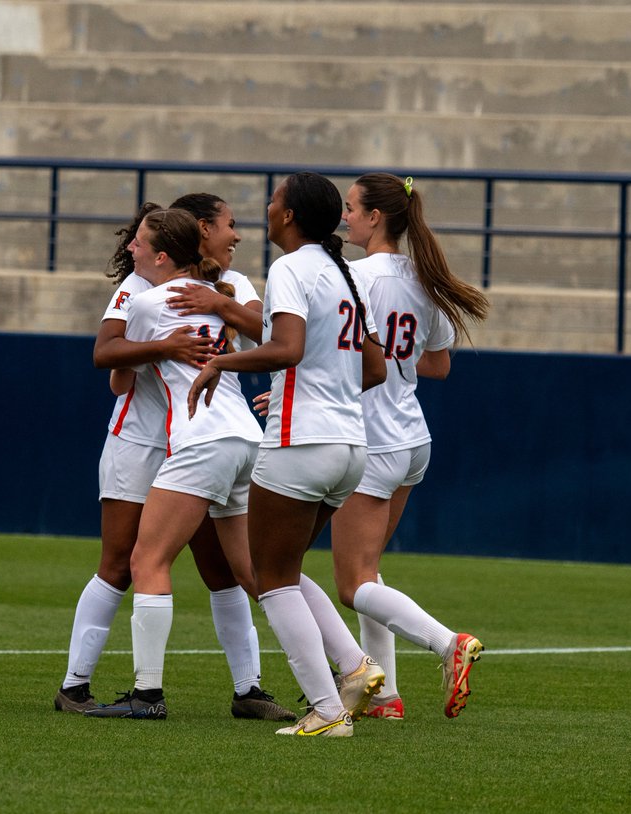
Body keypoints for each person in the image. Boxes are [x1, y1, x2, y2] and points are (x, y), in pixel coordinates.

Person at [55, 196, 295, 722]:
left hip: (195, 440)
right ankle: (75, 685)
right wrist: (164, 346)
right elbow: (112, 365)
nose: (235, 235)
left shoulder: (228, 289)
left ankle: (242, 688)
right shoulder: (137, 289)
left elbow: (268, 330)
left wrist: (220, 312)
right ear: (200, 233)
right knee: (121, 563)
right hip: (144, 441)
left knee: (223, 572)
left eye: (142, 238)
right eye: (229, 226)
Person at [189, 171, 389, 737]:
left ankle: (327, 712)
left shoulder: (292, 268)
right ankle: (354, 667)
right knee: (288, 568)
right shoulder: (343, 273)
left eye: (274, 202)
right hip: (351, 447)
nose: (267, 210)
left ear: (290, 216)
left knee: (270, 578)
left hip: (301, 444)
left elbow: (287, 348)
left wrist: (223, 362)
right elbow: (374, 368)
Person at [330, 173, 490, 719]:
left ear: (376, 217)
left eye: (351, 207)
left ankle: (450, 644)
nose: (344, 216)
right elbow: (438, 364)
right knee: (368, 572)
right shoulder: (427, 278)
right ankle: (386, 698)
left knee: (352, 584)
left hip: (371, 438)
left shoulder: (356, 276)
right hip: (411, 438)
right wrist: (398, 358)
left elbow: (341, 353)